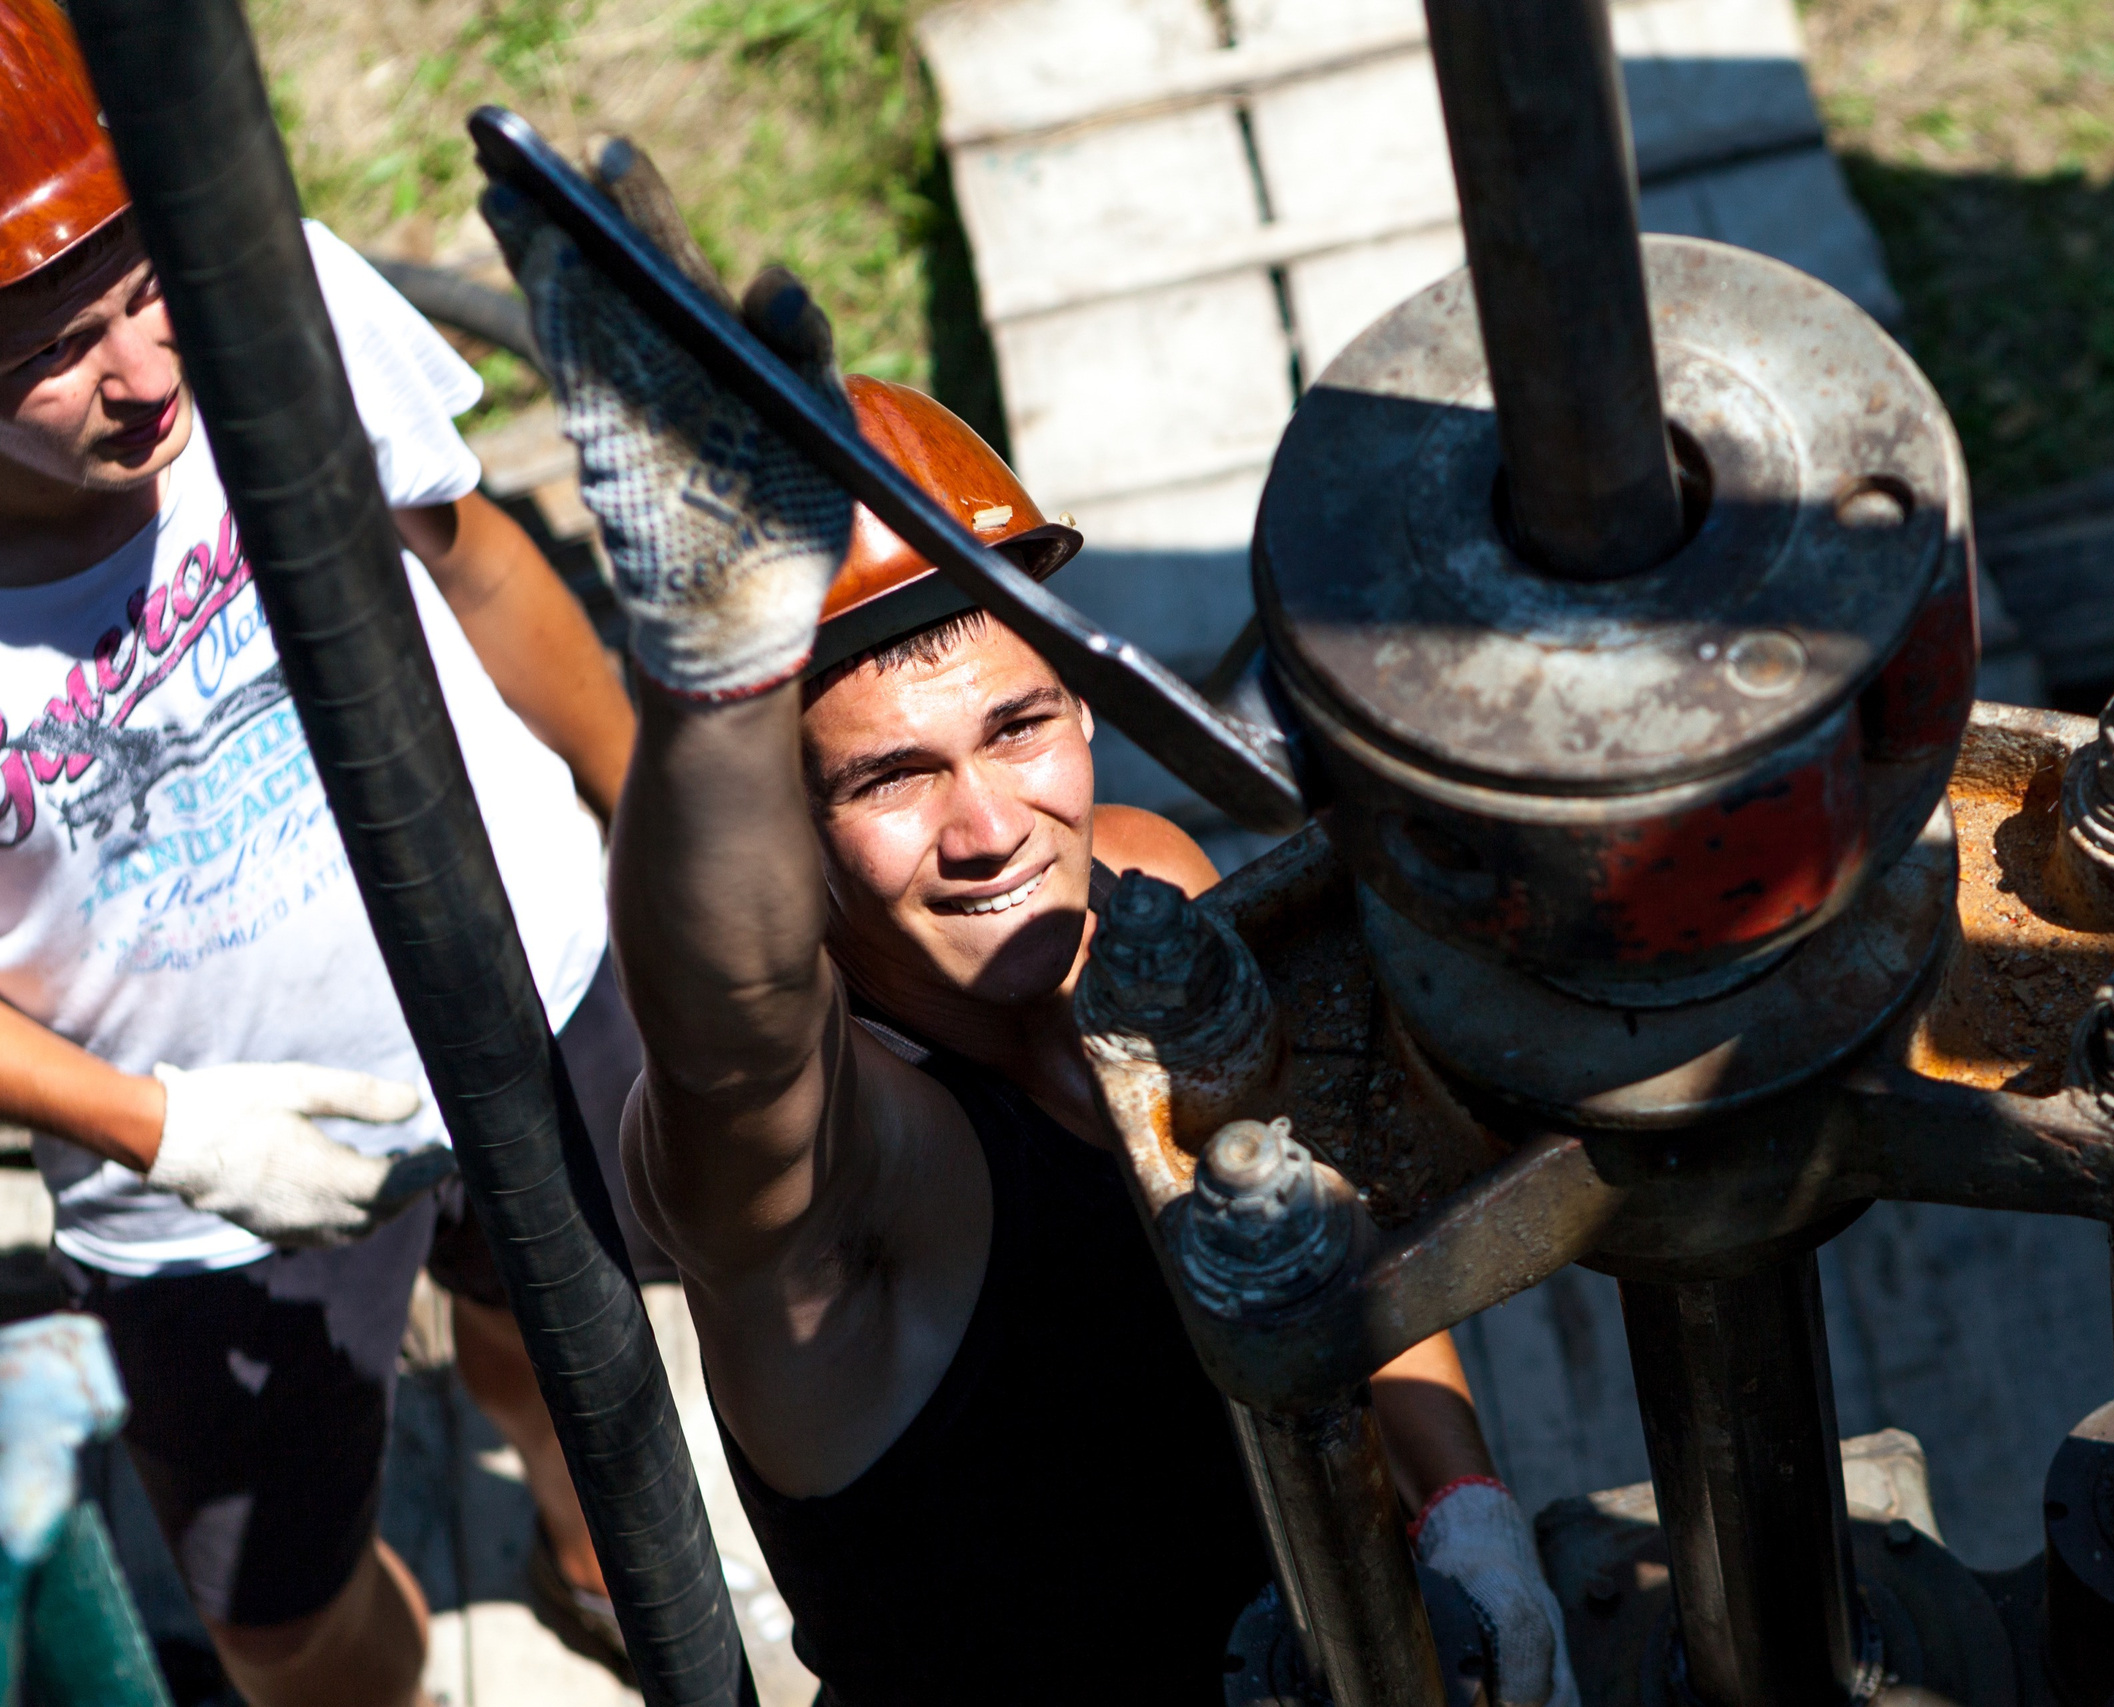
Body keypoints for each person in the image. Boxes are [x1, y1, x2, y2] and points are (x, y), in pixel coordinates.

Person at [485, 151, 1583, 1707]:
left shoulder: (1151, 883)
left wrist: (1461, 1501)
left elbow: (1322, 1215)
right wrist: (710, 680)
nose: (992, 823)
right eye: (888, 778)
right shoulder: (843, 1193)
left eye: (1019, 727)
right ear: (782, 825)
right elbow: (730, 1044)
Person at [0, 4, 655, 1699]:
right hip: (215, 1181)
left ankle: (590, 1562)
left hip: (530, 985)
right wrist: (167, 1133)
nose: (148, 377)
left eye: (149, 295)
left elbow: (475, 560)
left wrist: (644, 799)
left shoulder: (262, 291)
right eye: (54, 356)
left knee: (564, 1327)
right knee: (279, 1624)